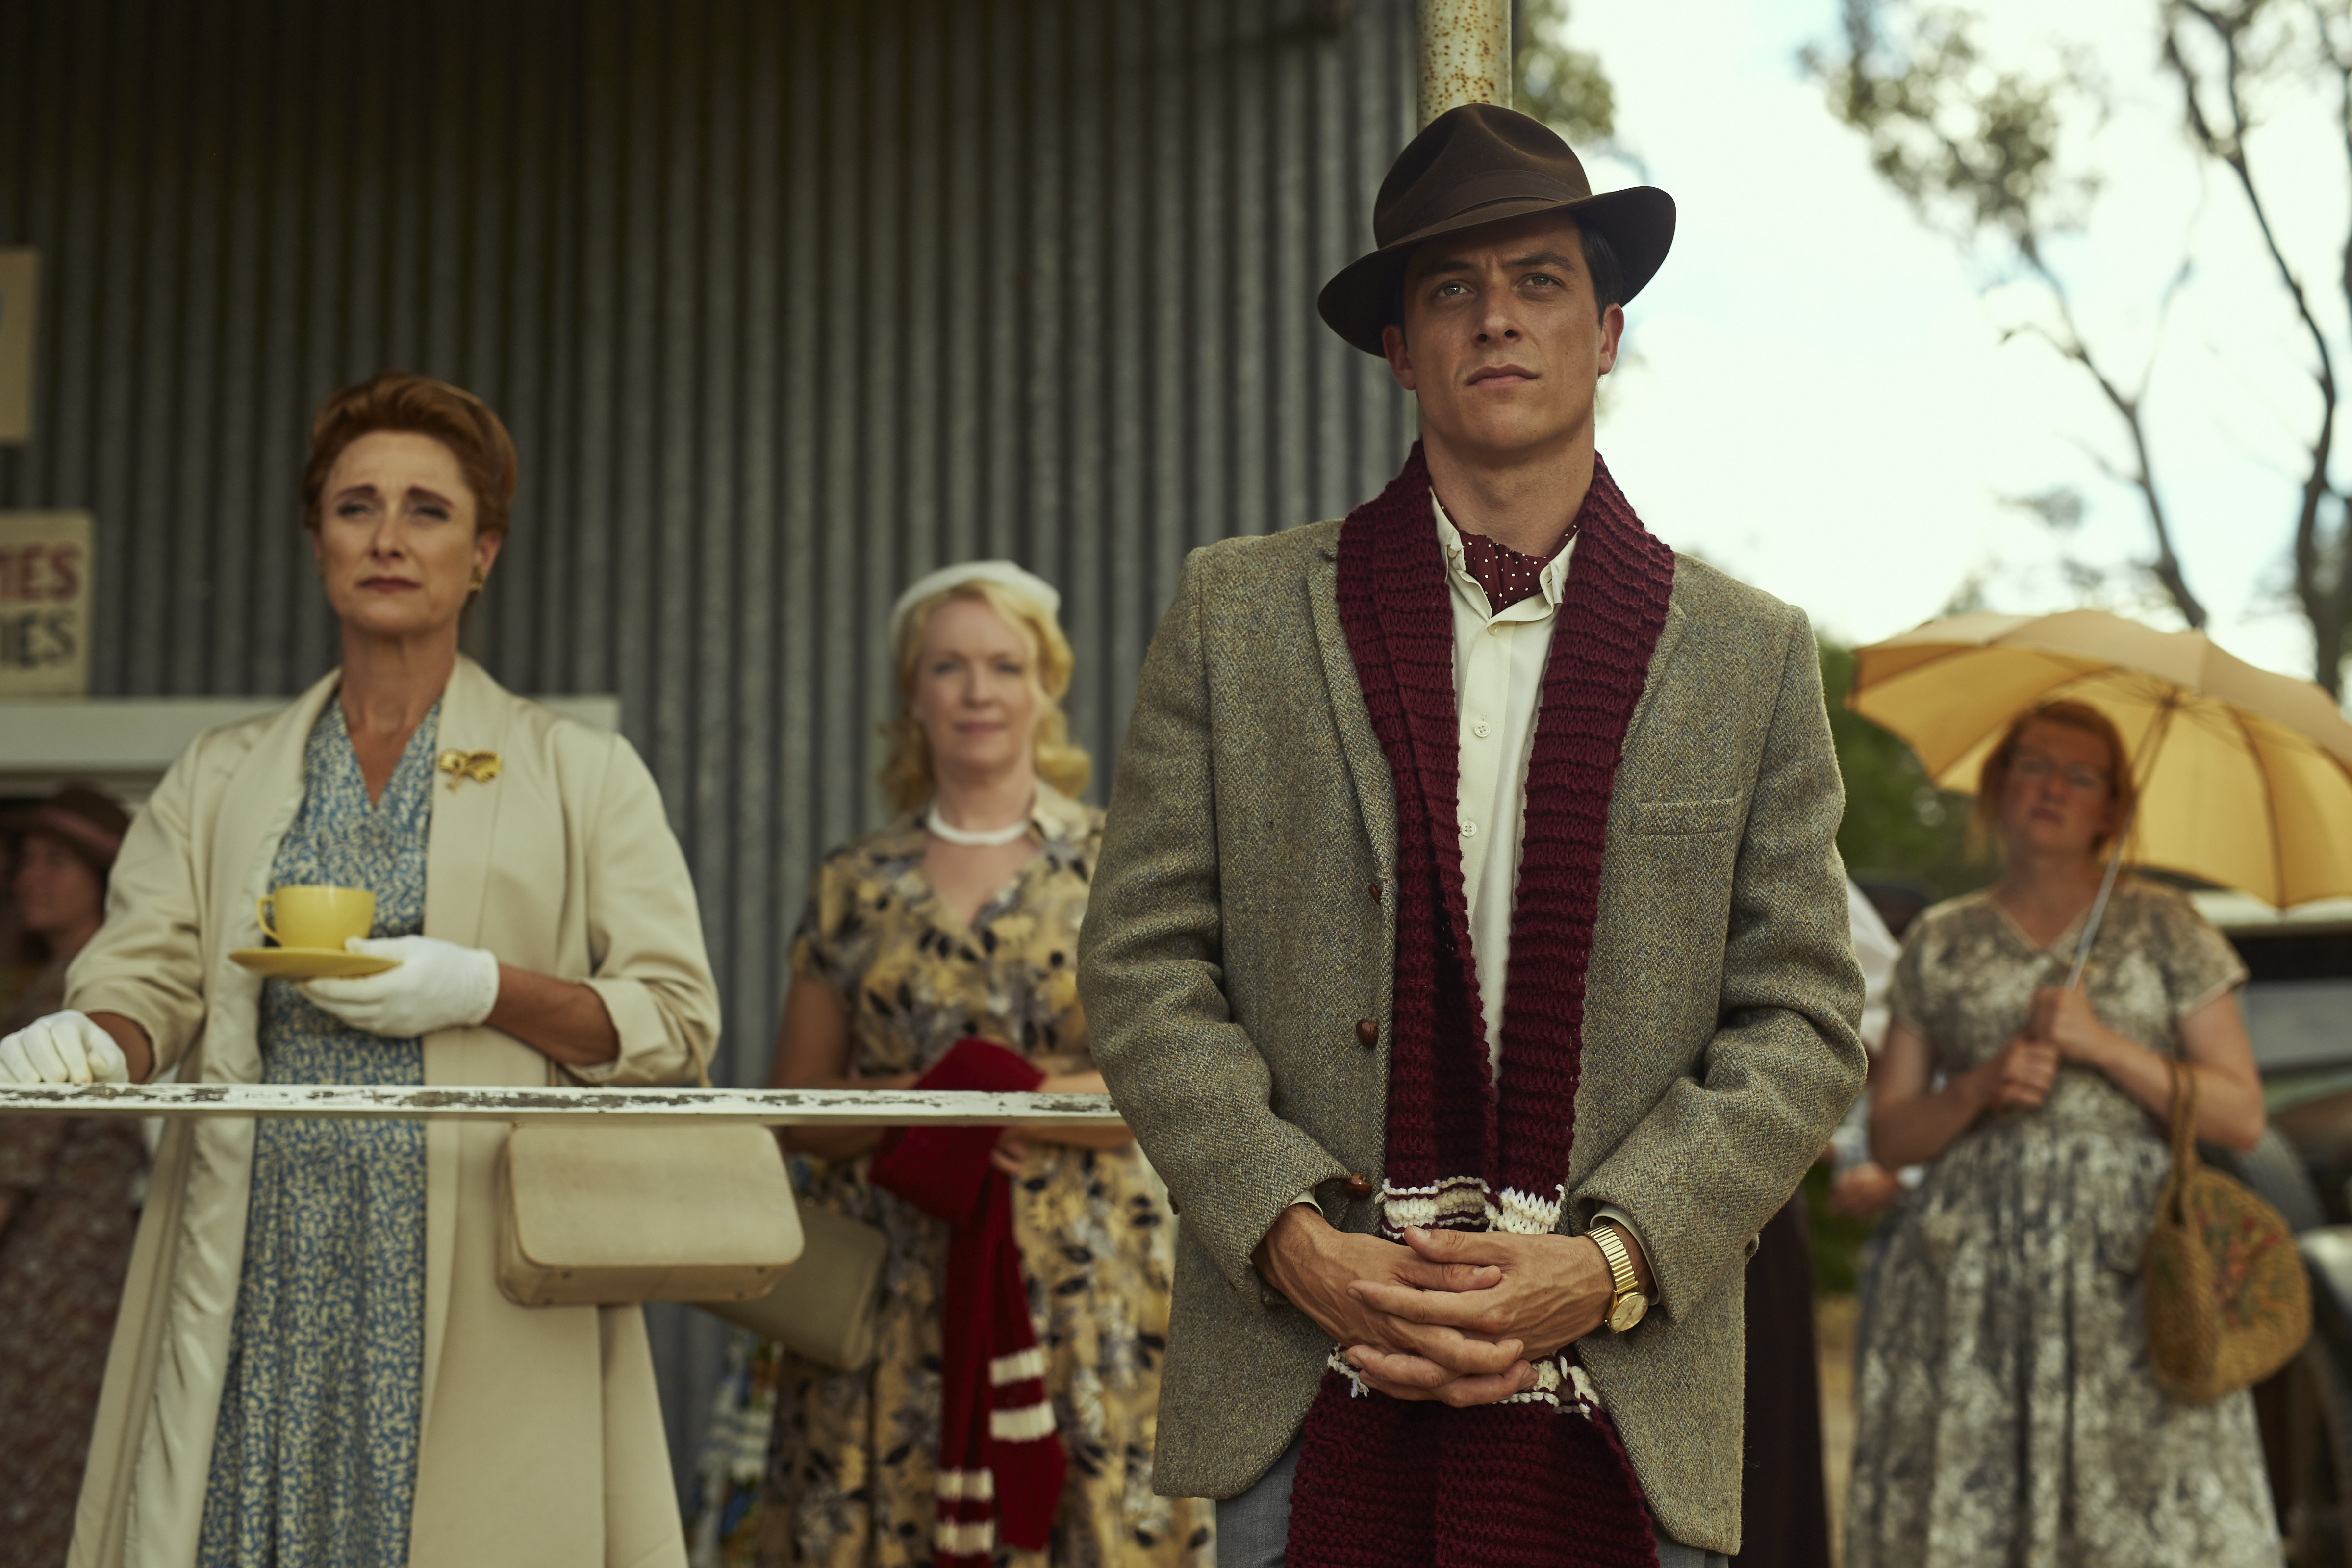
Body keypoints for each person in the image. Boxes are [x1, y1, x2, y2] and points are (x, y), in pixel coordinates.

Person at [1077, 104, 1865, 1568]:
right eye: (1451, 288)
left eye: (1538, 280)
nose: (1495, 316)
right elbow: (1141, 961)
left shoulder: (1746, 655)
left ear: (1605, 332)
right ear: (1399, 347)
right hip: (1305, 1374)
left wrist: (1607, 1262)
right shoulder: (1237, 614)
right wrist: (1294, 1239)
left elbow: (1804, 1017)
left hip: (1622, 1393)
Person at [0, 371, 721, 1568]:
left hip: (482, 1265)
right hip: (256, 1261)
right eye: (356, 506)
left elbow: (675, 1023)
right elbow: (148, 979)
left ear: (482, 554)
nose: (388, 537)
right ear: (317, 541)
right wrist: (94, 1040)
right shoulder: (220, 773)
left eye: (427, 511)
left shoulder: (583, 770)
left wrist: (482, 988)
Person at [695, 561, 1208, 1568]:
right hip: (884, 1292)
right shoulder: (854, 881)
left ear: (1046, 688)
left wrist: (1011, 1105)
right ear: (912, 692)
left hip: (1085, 1283)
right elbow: (794, 1105)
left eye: (1004, 666)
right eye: (948, 667)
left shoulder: (1117, 861)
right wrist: (928, 1107)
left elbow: (1176, 1077)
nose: (978, 691)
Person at [1845, 699, 2277, 1566]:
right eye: (2033, 764)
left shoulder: (2166, 925)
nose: (2053, 788)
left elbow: (2240, 1112)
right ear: (1997, 783)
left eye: (2082, 776)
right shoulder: (1940, 938)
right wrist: (1979, 1086)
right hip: (1968, 1276)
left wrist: (2103, 1046)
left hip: (2131, 1273)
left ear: (2112, 807)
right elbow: (1891, 1136)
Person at [0, 784, 141, 1568]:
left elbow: (13, 1159)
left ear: (101, 876)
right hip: (64, 1263)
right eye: (26, 859)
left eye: (57, 861)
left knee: (38, 1461)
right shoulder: (49, 980)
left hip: (59, 1270)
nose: (31, 877)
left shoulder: (83, 993)